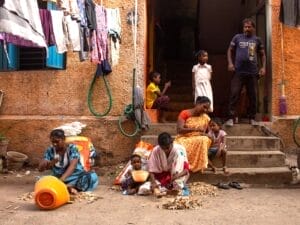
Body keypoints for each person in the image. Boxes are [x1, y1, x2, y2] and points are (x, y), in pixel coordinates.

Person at [225, 18, 266, 126]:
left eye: (249, 27)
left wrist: (263, 68)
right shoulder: (237, 37)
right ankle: (231, 118)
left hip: (252, 72)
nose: (246, 29)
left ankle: (252, 118)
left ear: (253, 28)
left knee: (253, 95)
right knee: (234, 94)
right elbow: (230, 50)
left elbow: (262, 54)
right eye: (245, 27)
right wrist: (230, 63)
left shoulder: (257, 40)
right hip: (238, 72)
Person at [39, 129, 99, 194]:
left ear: (63, 139)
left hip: (75, 176)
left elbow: (73, 166)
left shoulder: (72, 148)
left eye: (57, 141)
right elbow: (40, 169)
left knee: (92, 176)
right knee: (40, 181)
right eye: (52, 142)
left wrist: (61, 181)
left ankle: (68, 186)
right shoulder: (50, 150)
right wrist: (47, 163)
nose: (54, 144)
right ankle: (68, 187)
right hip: (58, 177)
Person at [174, 96, 212, 173]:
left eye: (207, 108)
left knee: (204, 139)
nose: (205, 110)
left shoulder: (206, 117)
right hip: (184, 138)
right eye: (204, 107)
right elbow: (179, 130)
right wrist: (196, 129)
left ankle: (199, 166)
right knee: (179, 146)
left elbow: (209, 132)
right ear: (197, 104)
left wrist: (208, 135)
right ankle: (187, 166)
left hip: (199, 138)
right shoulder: (184, 113)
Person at [148, 132, 190, 197]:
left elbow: (186, 171)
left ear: (172, 143)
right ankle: (167, 189)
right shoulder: (156, 150)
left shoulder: (180, 149)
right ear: (159, 146)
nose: (166, 150)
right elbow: (151, 170)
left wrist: (176, 176)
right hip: (161, 176)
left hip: (177, 176)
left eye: (167, 148)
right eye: (163, 148)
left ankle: (176, 188)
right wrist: (154, 183)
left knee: (178, 184)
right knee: (147, 188)